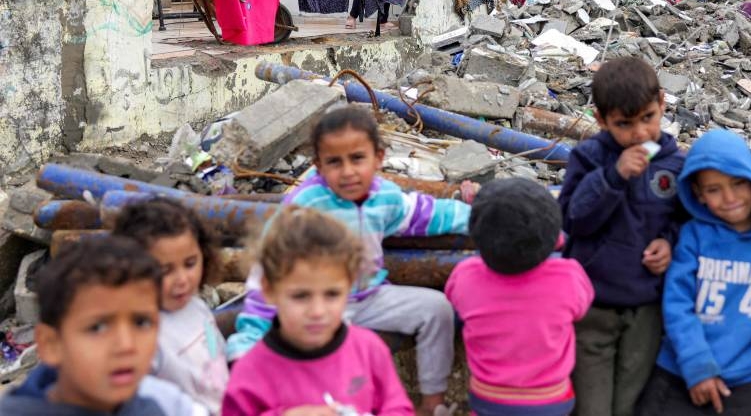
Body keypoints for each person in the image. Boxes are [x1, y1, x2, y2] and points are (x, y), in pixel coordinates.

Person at [226, 106, 469, 416]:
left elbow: (429, 214)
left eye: (357, 158)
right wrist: (249, 340)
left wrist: (479, 216)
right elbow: (269, 271)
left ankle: (432, 401)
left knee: (437, 310)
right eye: (334, 162)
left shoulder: (385, 197)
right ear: (318, 165)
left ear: (378, 158)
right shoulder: (305, 205)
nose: (348, 171)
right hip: (315, 307)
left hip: (367, 298)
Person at [636, 129, 751, 416]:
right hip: (681, 371)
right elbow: (677, 305)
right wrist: (697, 366)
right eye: (714, 189)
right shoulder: (694, 236)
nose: (729, 197)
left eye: (738, 183)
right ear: (698, 195)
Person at [558, 56, 686, 416]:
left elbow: (687, 220)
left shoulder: (675, 165)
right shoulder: (588, 158)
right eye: (624, 125)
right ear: (601, 120)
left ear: (662, 103)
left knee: (630, 402)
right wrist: (612, 177)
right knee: (592, 405)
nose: (640, 134)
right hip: (593, 305)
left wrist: (669, 244)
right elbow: (573, 220)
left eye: (648, 117)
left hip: (645, 306)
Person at [222, 207, 413, 415]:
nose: (317, 311)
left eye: (332, 294)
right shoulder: (251, 372)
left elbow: (397, 407)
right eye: (301, 296)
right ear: (268, 290)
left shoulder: (368, 350)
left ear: (349, 286)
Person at [0, 235, 207, 416]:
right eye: (97, 328)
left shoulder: (153, 407)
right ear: (51, 345)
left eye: (141, 322)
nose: (126, 345)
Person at [446, 178, 594, 416]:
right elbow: (582, 308)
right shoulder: (569, 276)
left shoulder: (465, 275)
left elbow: (455, 302)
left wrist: (478, 208)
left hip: (488, 397)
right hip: (551, 400)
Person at [112, 198, 228, 415]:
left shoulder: (196, 307)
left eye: (190, 263)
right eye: (165, 270)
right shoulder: (139, 337)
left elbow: (218, 358)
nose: (182, 279)